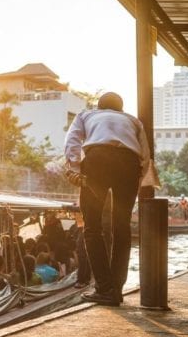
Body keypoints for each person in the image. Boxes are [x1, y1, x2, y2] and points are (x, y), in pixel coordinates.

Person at [64, 92, 149, 306]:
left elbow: (72, 140)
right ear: (120, 109)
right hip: (128, 164)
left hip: (98, 161)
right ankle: (117, 289)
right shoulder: (133, 120)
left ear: (99, 107)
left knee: (92, 228)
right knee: (122, 227)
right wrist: (136, 180)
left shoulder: (86, 115)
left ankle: (104, 287)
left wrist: (74, 168)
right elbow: (145, 157)